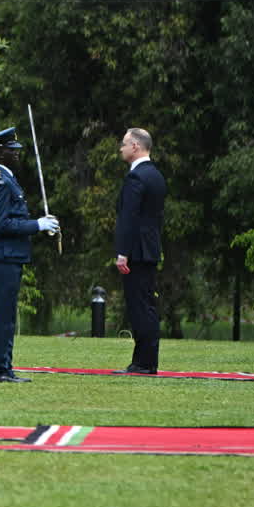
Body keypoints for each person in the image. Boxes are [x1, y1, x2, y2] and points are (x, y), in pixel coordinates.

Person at [0, 127, 59, 383]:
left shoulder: (6, 177)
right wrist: (37, 225)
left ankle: (3, 366)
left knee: (6, 315)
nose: (17, 154)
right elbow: (1, 224)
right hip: (3, 255)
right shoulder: (1, 181)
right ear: (0, 153)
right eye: (12, 151)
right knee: (2, 316)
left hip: (9, 255)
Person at [113, 127, 165, 375]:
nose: (121, 148)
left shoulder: (136, 177)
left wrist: (122, 252)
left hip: (136, 251)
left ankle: (144, 362)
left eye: (124, 144)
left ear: (135, 146)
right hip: (149, 248)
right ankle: (146, 359)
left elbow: (129, 217)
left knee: (139, 307)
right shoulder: (155, 175)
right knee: (146, 304)